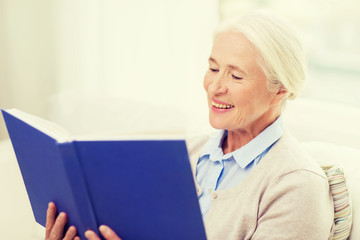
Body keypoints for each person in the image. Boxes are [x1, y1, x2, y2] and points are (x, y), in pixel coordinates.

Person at [45, 10, 335, 240]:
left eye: (236, 76)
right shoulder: (181, 153)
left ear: (280, 90)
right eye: (213, 68)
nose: (215, 87)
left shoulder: (297, 186)